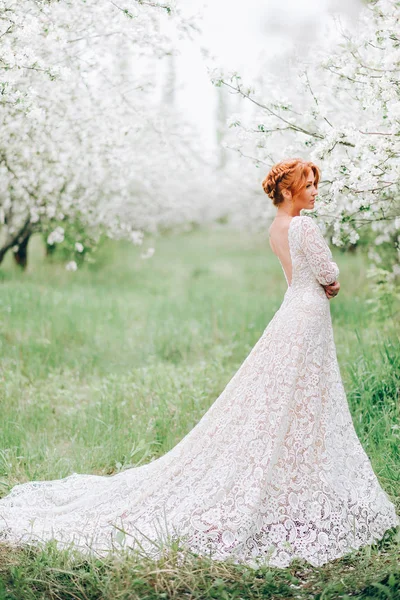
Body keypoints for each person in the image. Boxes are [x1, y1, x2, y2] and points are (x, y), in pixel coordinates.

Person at [0, 158, 398, 569]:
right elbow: (328, 272)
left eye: (316, 183)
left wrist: (320, 283)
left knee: (288, 395)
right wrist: (332, 282)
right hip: (307, 313)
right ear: (286, 190)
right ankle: (298, 483)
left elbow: (295, 274)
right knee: (306, 394)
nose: (316, 190)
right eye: (309, 184)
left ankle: (296, 482)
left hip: (292, 309)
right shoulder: (304, 226)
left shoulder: (276, 228)